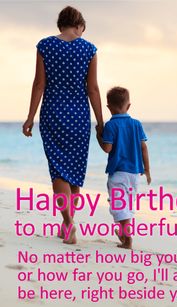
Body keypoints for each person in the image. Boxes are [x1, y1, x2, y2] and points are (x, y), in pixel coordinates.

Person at [22, 6, 103, 244]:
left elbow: (39, 85)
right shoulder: (88, 49)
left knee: (58, 169)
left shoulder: (45, 46)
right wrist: (100, 122)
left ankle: (67, 223)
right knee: (75, 171)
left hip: (53, 114)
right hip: (79, 117)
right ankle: (68, 223)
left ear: (61, 25)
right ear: (79, 25)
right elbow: (93, 89)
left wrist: (30, 117)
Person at [96, 87, 151, 249]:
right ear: (128, 106)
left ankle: (127, 239)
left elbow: (107, 149)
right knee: (126, 205)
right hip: (135, 173)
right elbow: (144, 148)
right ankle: (123, 233)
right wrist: (147, 169)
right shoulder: (136, 124)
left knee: (119, 207)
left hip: (118, 172)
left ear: (109, 107)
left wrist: (99, 135)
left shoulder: (111, 126)